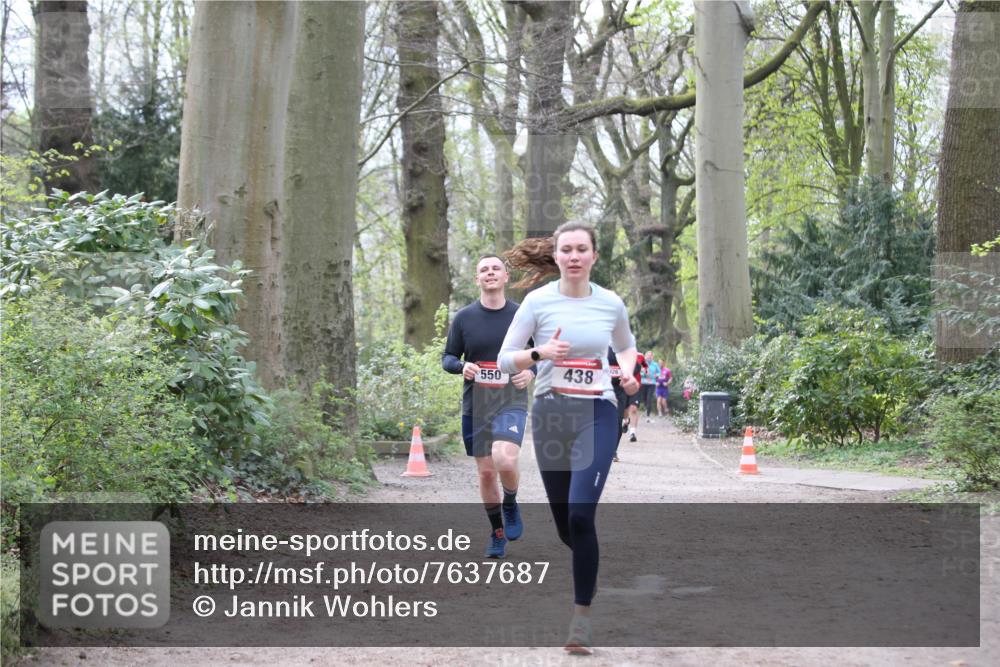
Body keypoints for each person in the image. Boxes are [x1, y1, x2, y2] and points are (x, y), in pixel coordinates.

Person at [499, 221, 639, 655]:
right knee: (566, 526)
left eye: (582, 249)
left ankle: (581, 620)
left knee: (581, 516)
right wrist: (540, 353)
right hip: (552, 413)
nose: (574, 256)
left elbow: (627, 345)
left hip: (597, 410)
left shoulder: (610, 303)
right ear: (556, 256)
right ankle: (586, 559)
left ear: (594, 256)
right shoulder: (537, 303)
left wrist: (629, 371)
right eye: (567, 250)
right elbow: (506, 360)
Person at [442, 254, 536, 559]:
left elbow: (542, 354)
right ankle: (497, 534)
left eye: (496, 268)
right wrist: (462, 367)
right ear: (477, 279)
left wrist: (531, 371)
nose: (490, 273)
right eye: (484, 269)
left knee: (505, 460)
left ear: (506, 277)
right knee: (485, 474)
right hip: (476, 404)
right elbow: (448, 358)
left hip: (512, 400)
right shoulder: (464, 318)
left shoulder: (523, 314)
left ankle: (510, 502)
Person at [640, 352, 660, 421]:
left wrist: (656, 375)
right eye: (647, 356)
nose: (649, 357)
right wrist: (644, 374)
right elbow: (639, 372)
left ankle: (648, 415)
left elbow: (659, 372)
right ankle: (646, 409)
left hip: (652, 383)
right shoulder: (643, 363)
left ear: (652, 357)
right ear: (645, 356)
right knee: (644, 398)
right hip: (643, 383)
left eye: (650, 356)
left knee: (649, 399)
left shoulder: (655, 364)